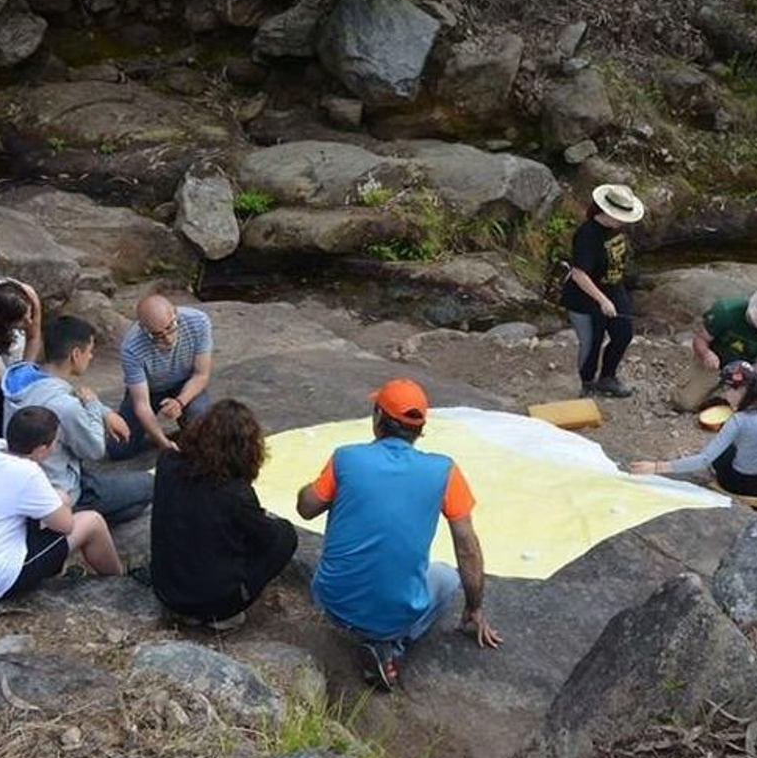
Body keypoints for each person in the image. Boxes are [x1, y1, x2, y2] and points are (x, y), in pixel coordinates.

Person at [296, 378, 500, 690]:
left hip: (331, 600)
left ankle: (374, 641)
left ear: (377, 418)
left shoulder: (345, 458)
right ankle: (392, 646)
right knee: (446, 575)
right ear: (419, 429)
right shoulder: (444, 470)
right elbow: (467, 548)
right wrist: (475, 607)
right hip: (393, 615)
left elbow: (306, 508)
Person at [0, 405, 124, 602]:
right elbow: (66, 526)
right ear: (40, 450)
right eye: (55, 442)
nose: (56, 447)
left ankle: (54, 570)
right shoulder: (28, 473)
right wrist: (62, 498)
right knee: (92, 521)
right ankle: (119, 582)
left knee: (43, 513)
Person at [151, 399, 298, 629]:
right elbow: (269, 538)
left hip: (167, 592)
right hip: (215, 604)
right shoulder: (236, 493)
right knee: (286, 534)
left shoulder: (168, 461)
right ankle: (223, 609)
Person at [1, 315, 152, 525]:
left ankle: (87, 519)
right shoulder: (65, 406)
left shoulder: (22, 378)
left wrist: (105, 412)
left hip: (29, 482)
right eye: (90, 352)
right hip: (61, 490)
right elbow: (95, 449)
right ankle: (76, 520)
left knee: (132, 507)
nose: (91, 357)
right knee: (147, 487)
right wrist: (92, 406)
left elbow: (67, 392)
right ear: (76, 354)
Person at [633, 360, 757, 497]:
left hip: (744, 484)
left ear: (741, 389)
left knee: (720, 456)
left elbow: (704, 459)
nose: (726, 395)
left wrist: (656, 467)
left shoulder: (739, 420)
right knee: (745, 444)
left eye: (728, 390)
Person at [561, 184, 646, 398]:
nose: (623, 222)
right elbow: (579, 273)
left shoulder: (615, 230)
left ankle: (608, 377)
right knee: (592, 342)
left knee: (623, 333)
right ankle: (587, 382)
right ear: (606, 212)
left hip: (614, 289)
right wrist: (602, 300)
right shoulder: (587, 235)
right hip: (585, 298)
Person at [108, 294, 215, 458]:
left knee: (205, 433)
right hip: (150, 389)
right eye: (157, 335)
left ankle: (188, 426)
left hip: (186, 382)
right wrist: (163, 444)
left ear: (175, 314)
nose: (167, 338)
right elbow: (141, 404)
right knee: (119, 450)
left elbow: (201, 374)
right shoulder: (131, 348)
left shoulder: (198, 321)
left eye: (170, 328)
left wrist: (180, 401)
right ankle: (152, 432)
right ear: (143, 329)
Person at [672, 288, 757, 413]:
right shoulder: (726, 311)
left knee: (746, 409)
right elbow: (700, 340)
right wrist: (706, 354)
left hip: (742, 374)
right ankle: (714, 392)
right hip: (712, 363)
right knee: (684, 403)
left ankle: (721, 395)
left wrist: (748, 393)